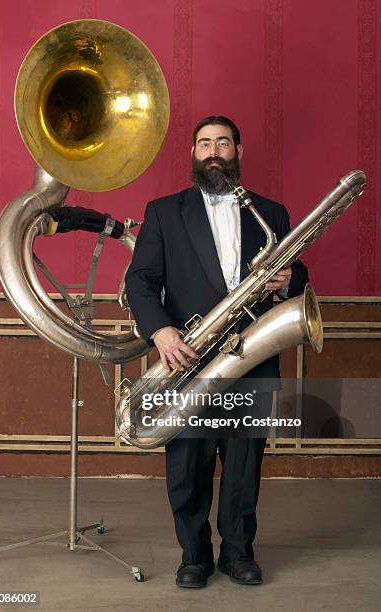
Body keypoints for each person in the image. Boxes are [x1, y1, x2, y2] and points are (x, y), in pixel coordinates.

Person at [124, 116, 309, 588]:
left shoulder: (271, 212)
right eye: (204, 143)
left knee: (245, 464)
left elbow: (300, 276)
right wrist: (161, 332)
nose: (213, 151)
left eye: (222, 143)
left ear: (238, 151)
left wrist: (290, 279)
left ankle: (239, 553)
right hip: (187, 355)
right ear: (193, 152)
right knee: (188, 463)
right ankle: (194, 556)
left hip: (253, 353)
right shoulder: (164, 211)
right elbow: (140, 281)